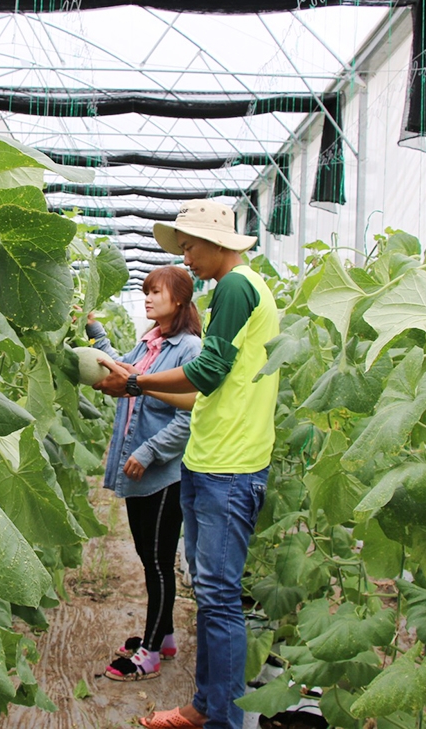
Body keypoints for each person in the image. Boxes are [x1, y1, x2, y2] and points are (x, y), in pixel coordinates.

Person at [95, 199, 280, 729]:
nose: (186, 258)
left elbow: (207, 372)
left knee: (219, 598)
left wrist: (135, 381)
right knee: (210, 594)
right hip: (212, 458)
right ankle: (205, 706)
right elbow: (204, 391)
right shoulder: (237, 289)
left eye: (190, 246)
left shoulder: (237, 287)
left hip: (230, 466)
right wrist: (137, 383)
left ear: (217, 243)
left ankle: (221, 718)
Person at [86, 265, 202, 682]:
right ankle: (164, 638)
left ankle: (149, 654)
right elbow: (121, 370)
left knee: (158, 563)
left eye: (156, 292)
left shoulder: (189, 349)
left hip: (164, 473)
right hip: (140, 471)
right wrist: (93, 330)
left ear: (180, 299)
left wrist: (149, 452)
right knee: (149, 558)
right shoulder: (149, 343)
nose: (148, 298)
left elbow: (190, 416)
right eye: (147, 291)